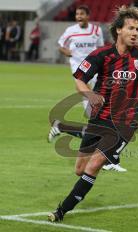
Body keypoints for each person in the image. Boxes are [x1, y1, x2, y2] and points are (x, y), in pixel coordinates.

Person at [48, 5, 138, 222]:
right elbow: (79, 78)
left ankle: (60, 211)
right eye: (131, 28)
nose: (135, 33)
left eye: (137, 29)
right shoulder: (101, 55)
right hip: (100, 118)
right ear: (119, 30)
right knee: (80, 169)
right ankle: (65, 128)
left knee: (94, 165)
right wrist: (89, 95)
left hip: (126, 122)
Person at [48, 5, 127, 172]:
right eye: (77, 14)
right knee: (97, 118)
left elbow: (100, 48)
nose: (78, 16)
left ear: (88, 15)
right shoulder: (70, 30)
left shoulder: (96, 30)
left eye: (81, 14)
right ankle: (107, 159)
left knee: (101, 117)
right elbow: (60, 45)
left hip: (97, 73)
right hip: (82, 76)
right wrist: (66, 52)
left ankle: (61, 127)